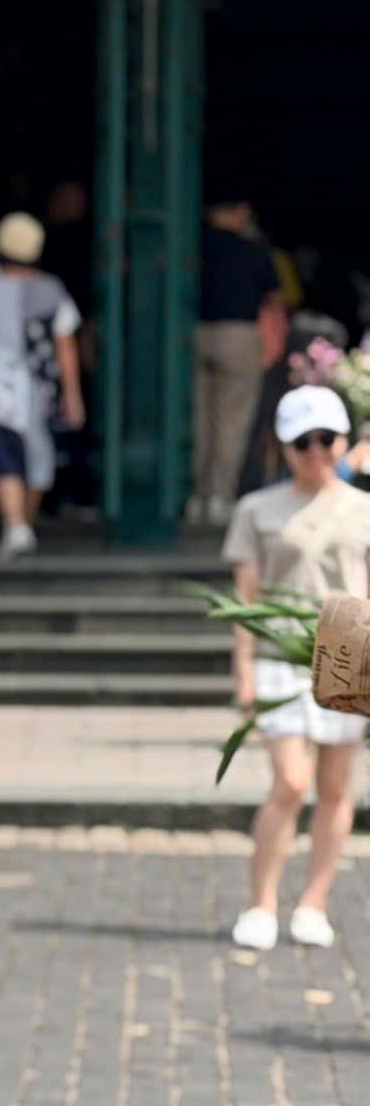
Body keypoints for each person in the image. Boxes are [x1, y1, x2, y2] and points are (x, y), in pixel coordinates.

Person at [224, 385, 370, 953]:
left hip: (348, 640)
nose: (315, 451)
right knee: (290, 781)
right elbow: (246, 601)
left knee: (335, 787)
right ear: (283, 446)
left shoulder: (364, 509)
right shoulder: (257, 509)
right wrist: (243, 671)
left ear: (343, 441)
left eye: (325, 439)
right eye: (302, 441)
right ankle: (261, 903)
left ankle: (313, 902)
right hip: (281, 645)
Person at [0, 213, 85, 562]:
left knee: (3, 456)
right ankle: (22, 524)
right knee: (38, 456)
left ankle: (15, 526)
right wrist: (73, 395)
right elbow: (66, 347)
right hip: (40, 389)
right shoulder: (53, 291)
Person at [195, 197, 291, 525]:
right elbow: (278, 297)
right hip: (238, 334)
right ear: (241, 212)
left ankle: (195, 496)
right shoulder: (252, 250)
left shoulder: (193, 246)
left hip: (193, 335)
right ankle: (218, 497)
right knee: (231, 423)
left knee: (197, 419)